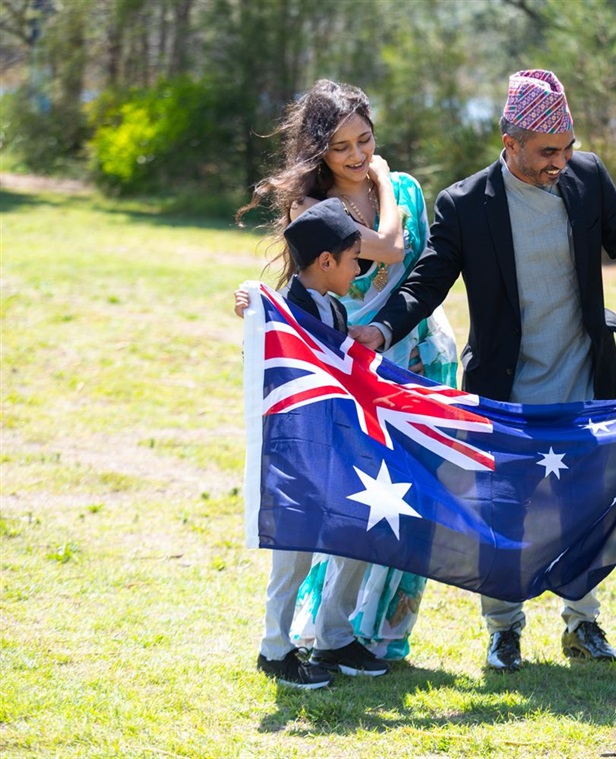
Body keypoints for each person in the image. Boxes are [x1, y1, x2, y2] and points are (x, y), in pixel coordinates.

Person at [351, 69, 616, 672]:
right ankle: (503, 629)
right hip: (507, 385)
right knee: (506, 509)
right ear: (511, 142)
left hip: (583, 375)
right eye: (549, 151)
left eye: (568, 148)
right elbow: (427, 280)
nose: (562, 161)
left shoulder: (587, 177)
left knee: (585, 502)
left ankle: (583, 623)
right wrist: (382, 328)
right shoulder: (466, 204)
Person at [235, 79, 457, 662]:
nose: (358, 156)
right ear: (318, 153)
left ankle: (379, 633)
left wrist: (392, 185)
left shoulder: (409, 188)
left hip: (422, 357)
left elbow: (423, 270)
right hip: (349, 363)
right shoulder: (315, 208)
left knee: (413, 501)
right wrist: (384, 181)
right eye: (341, 147)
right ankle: (323, 629)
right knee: (358, 499)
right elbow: (387, 248)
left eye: (366, 141)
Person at [250, 199, 391, 687]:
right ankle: (274, 649)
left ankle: (333, 638)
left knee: (358, 534)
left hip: (339, 448)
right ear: (326, 262)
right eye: (354, 260)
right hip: (299, 454)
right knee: (294, 554)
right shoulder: (281, 310)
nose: (359, 270)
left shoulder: (333, 307)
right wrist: (249, 305)